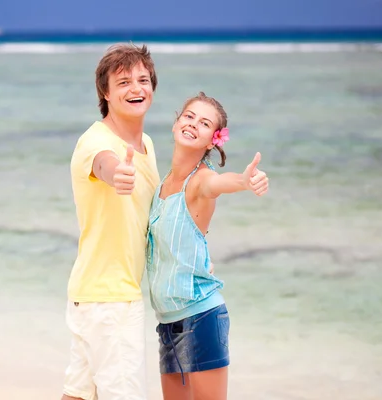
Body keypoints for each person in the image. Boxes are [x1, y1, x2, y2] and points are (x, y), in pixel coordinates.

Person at [145, 92, 269, 400]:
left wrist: (243, 181)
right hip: (168, 323)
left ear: (212, 141)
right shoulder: (161, 185)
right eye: (188, 116)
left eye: (204, 123)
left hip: (201, 318)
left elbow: (218, 184)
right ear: (176, 124)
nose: (192, 124)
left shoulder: (200, 181)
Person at [61, 43, 160, 400]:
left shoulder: (146, 144)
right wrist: (116, 174)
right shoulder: (96, 142)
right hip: (111, 300)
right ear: (106, 92)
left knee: (78, 395)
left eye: (143, 80)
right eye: (123, 82)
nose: (136, 88)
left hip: (92, 295)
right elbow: (104, 164)